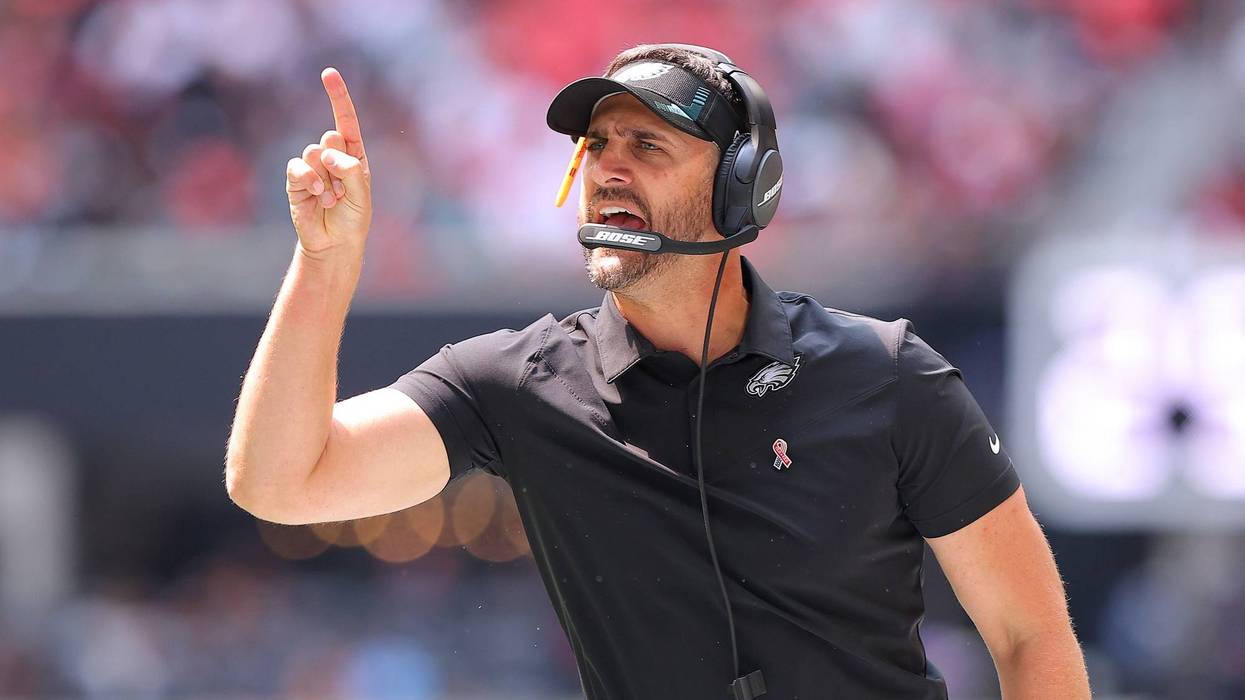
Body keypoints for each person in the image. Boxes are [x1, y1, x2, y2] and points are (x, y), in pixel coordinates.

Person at [225, 44, 1091, 699]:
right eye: (597, 145)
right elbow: (280, 484)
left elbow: (1029, 636)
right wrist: (325, 265)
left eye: (646, 145)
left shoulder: (888, 373)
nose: (607, 168)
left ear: (743, 188)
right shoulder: (517, 382)